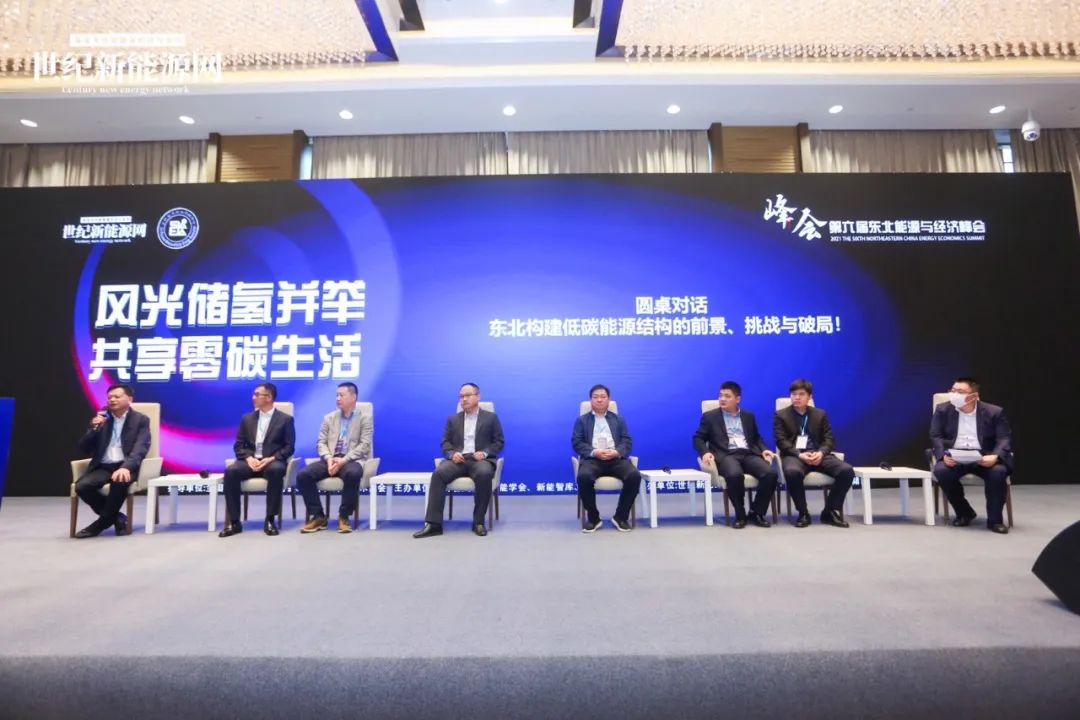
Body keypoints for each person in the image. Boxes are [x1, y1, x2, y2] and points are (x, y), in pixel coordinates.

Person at [413, 383, 504, 538]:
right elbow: (445, 443)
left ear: (478, 396)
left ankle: (478, 522)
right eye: (461, 396)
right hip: (458, 460)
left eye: (467, 395)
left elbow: (499, 442)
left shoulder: (491, 418)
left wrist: (485, 453)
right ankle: (434, 525)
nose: (464, 399)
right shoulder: (452, 419)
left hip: (479, 460)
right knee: (438, 474)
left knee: (484, 473)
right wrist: (452, 454)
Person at [930, 377, 1013, 534]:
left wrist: (995, 456)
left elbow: (1004, 438)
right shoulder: (943, 409)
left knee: (998, 472)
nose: (954, 394)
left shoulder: (994, 412)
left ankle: (995, 521)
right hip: (955, 454)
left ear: (974, 396)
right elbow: (936, 436)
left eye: (960, 392)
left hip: (984, 455)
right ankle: (964, 512)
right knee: (942, 471)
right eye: (952, 390)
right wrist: (943, 455)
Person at [693, 381, 777, 529]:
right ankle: (740, 514)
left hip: (748, 453)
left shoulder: (748, 416)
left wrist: (764, 449)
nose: (722, 399)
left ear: (737, 399)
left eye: (727, 396)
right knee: (734, 475)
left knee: (770, 474)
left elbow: (756, 437)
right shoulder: (710, 417)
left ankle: (756, 512)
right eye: (720, 396)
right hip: (726, 455)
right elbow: (698, 438)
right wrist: (705, 452)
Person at [773, 379, 854, 528]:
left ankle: (829, 511)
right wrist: (799, 454)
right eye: (793, 394)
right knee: (792, 472)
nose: (797, 397)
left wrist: (821, 453)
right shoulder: (781, 415)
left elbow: (829, 439)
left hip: (818, 454)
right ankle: (803, 513)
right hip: (795, 456)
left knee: (847, 471)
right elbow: (781, 441)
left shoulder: (820, 414)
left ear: (810, 397)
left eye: (801, 394)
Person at [73, 383, 151, 538]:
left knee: (120, 481)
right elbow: (83, 448)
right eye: (109, 397)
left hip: (126, 465)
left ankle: (99, 525)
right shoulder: (102, 418)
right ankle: (117, 518)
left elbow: (140, 448)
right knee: (82, 486)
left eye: (117, 396)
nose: (112, 400)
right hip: (104, 466)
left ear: (129, 399)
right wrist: (94, 429)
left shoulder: (140, 420)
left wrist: (126, 467)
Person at [219, 383, 296, 537]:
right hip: (250, 462)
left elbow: (289, 447)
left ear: (268, 397)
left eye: (257, 394)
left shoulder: (285, 420)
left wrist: (271, 459)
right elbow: (238, 445)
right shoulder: (247, 419)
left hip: (271, 462)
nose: (253, 397)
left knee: (276, 471)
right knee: (231, 471)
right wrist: (248, 458)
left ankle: (270, 519)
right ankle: (234, 522)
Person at [297, 382, 373, 534]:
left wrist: (344, 460)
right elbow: (321, 442)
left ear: (353, 397)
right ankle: (318, 516)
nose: (338, 398)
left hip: (350, 460)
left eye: (342, 395)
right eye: (337, 395)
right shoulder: (329, 418)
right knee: (303, 475)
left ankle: (344, 516)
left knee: (353, 473)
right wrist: (329, 459)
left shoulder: (364, 419)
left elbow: (364, 445)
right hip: (330, 459)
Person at [572, 384, 641, 533]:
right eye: (595, 397)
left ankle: (620, 517)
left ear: (608, 400)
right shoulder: (582, 421)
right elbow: (577, 442)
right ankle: (594, 519)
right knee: (583, 477)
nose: (599, 400)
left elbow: (627, 441)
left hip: (615, 459)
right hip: (593, 460)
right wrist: (594, 452)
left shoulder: (618, 419)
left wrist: (617, 452)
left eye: (603, 397)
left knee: (634, 476)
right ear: (590, 400)